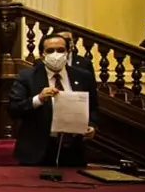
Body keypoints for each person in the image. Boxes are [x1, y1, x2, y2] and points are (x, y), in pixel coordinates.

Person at [9, 33, 98, 167]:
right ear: (42, 54)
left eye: (61, 50)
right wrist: (38, 99)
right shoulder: (27, 77)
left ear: (68, 52)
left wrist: (92, 125)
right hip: (37, 152)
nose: (56, 54)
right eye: (50, 51)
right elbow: (13, 109)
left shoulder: (83, 76)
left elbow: (94, 107)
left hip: (73, 151)